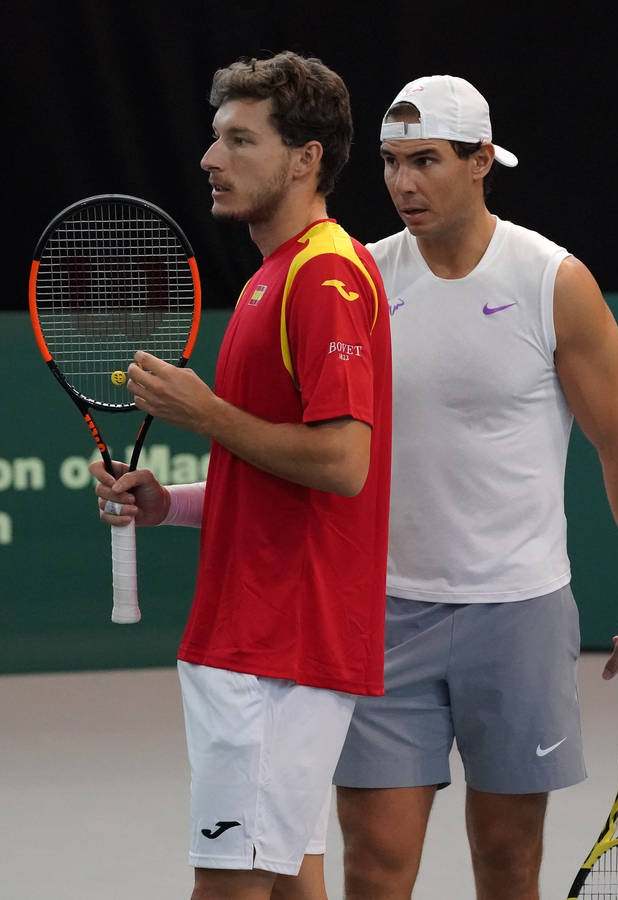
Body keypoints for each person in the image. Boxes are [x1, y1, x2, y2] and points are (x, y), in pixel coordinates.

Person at [331, 74, 618, 900]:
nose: (403, 184)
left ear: (482, 160)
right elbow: (315, 451)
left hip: (517, 614)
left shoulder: (552, 281)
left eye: (426, 161)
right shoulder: (359, 281)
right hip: (382, 612)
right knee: (373, 866)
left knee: (508, 862)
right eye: (388, 162)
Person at [90, 51, 391, 900]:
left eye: (238, 139)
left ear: (305, 158)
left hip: (275, 645)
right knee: (291, 882)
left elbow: (342, 463)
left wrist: (205, 414)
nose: (209, 159)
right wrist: (169, 503)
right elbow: (274, 477)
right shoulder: (277, 274)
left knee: (228, 889)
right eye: (214, 138)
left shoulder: (322, 276)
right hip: (263, 637)